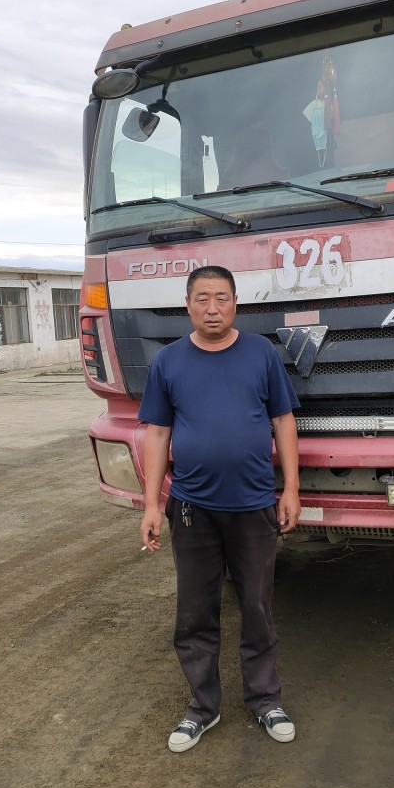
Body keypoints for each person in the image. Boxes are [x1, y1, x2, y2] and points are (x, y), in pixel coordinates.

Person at [138, 265, 301, 753]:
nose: (213, 308)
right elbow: (158, 433)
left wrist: (291, 489)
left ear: (236, 303)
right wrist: (152, 503)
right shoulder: (168, 361)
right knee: (195, 613)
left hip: (253, 504)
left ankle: (265, 700)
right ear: (188, 304)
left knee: (257, 607)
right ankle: (202, 708)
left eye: (222, 298)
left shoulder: (261, 353)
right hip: (192, 508)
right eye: (203, 299)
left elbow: (283, 420)